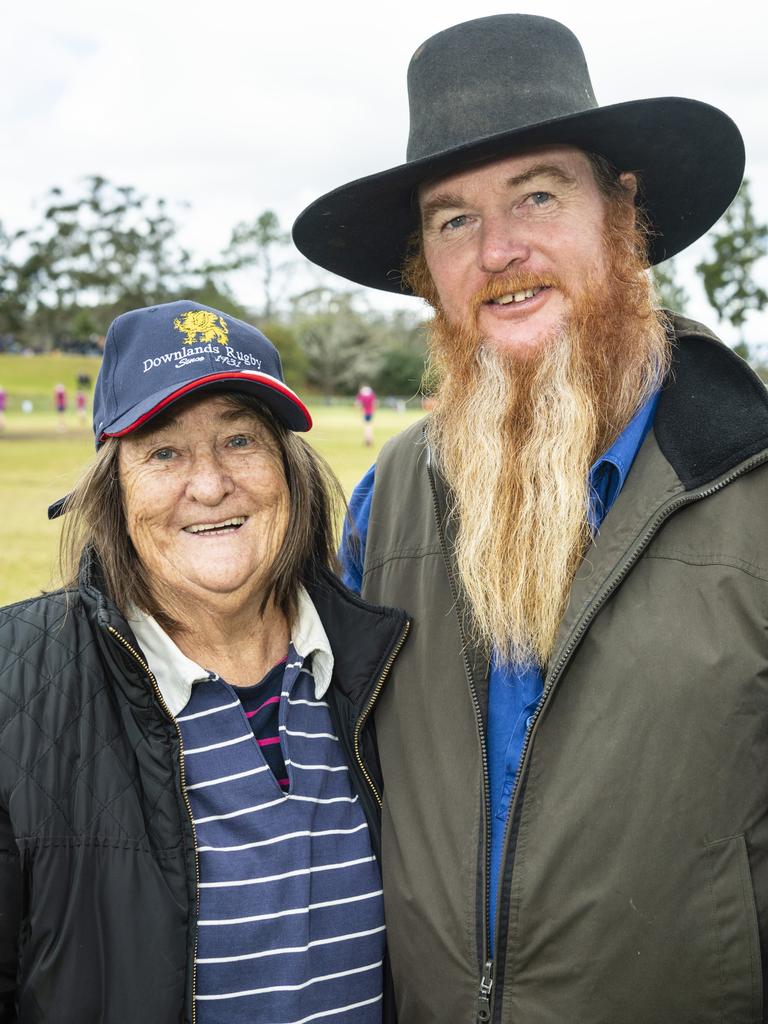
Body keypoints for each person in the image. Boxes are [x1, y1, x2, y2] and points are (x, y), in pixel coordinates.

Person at [292, 15, 766, 1024]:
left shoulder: (755, 490)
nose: (498, 249)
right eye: (452, 219)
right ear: (425, 262)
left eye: (538, 194)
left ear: (621, 213)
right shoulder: (390, 501)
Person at [0, 300, 408, 1023]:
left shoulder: (380, 664)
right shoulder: (15, 683)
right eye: (163, 451)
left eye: (241, 440)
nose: (211, 484)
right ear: (113, 485)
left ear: (288, 468)